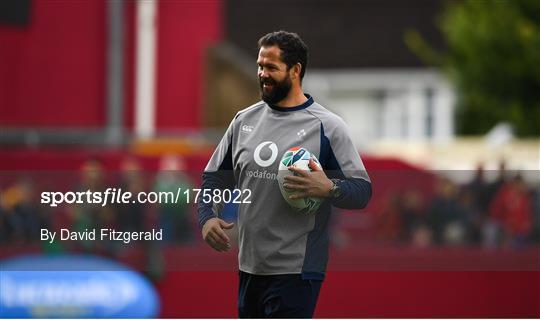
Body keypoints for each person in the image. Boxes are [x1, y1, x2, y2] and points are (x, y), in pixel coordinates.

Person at [198, 31, 371, 318]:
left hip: (298, 271)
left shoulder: (328, 126)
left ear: (295, 70)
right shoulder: (243, 121)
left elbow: (362, 190)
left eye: (271, 68)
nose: (262, 74)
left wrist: (329, 187)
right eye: (259, 66)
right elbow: (214, 178)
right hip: (250, 268)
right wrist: (207, 217)